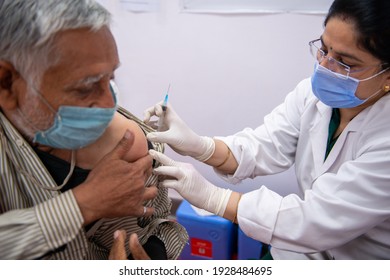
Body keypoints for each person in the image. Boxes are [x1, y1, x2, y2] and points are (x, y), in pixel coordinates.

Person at [144, 0, 390, 259]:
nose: (325, 66)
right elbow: (263, 146)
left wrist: (212, 197)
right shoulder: (312, 95)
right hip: (302, 254)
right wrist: (200, 145)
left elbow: (313, 221)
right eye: (323, 48)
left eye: (345, 62)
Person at [0, 0, 187, 259]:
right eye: (85, 87)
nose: (110, 105)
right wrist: (82, 204)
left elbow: (159, 223)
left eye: (110, 78)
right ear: (7, 83)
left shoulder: (128, 140)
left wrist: (153, 255)